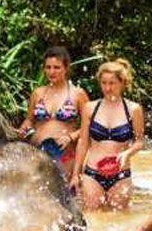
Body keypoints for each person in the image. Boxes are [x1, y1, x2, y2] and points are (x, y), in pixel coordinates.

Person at [69, 59, 144, 210]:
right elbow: (83, 142)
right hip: (92, 174)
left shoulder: (134, 109)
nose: (107, 88)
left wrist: (128, 153)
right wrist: (75, 175)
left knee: (120, 219)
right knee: (92, 219)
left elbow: (139, 142)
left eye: (112, 83)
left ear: (122, 83)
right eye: (104, 83)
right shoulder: (90, 108)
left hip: (121, 175)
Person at [19, 47, 88, 176]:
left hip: (65, 153)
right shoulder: (38, 93)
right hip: (37, 151)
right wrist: (25, 127)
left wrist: (70, 137)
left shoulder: (78, 94)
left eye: (57, 67)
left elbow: (90, 125)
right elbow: (29, 119)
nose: (52, 71)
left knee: (64, 193)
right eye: (48, 67)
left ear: (66, 68)